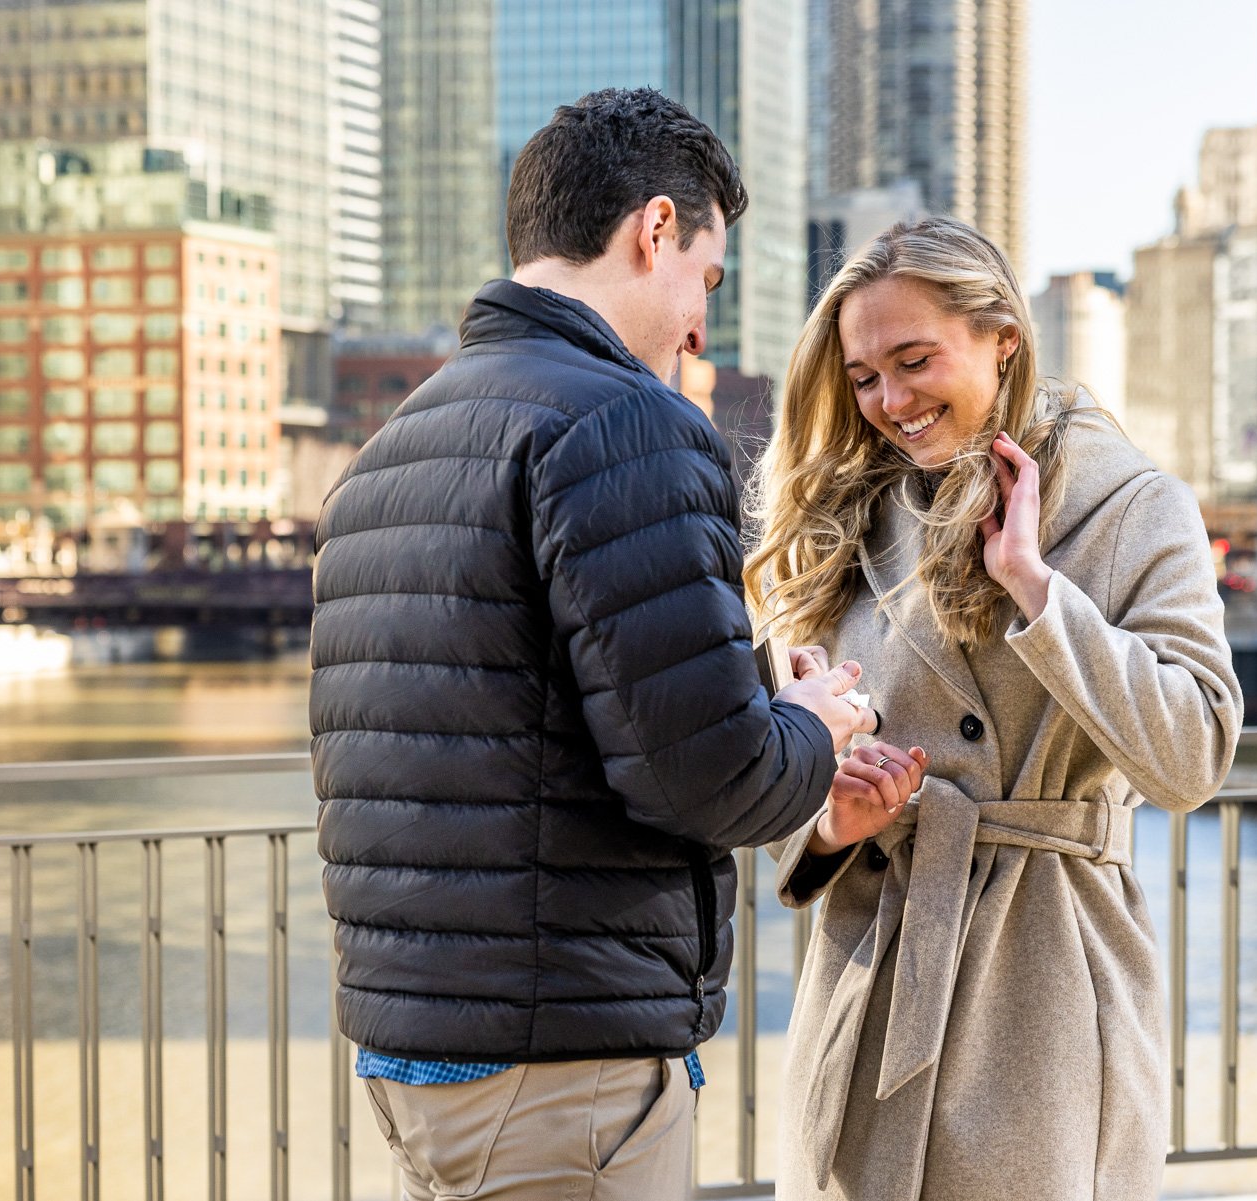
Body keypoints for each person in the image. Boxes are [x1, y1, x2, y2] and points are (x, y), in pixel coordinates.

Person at [309, 88, 881, 1201]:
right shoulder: (627, 422)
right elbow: (712, 780)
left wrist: (750, 692)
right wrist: (813, 726)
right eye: (707, 279)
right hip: (559, 1066)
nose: (701, 327)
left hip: (415, 1054)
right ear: (654, 229)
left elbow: (518, 706)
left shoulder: (387, 455)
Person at [745, 216, 1243, 1201]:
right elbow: (791, 766)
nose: (891, 400)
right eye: (863, 377)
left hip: (1042, 985)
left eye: (914, 359)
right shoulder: (850, 514)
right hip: (871, 971)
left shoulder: (1132, 507)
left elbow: (1193, 754)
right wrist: (833, 819)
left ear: (1002, 336)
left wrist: (1035, 591)